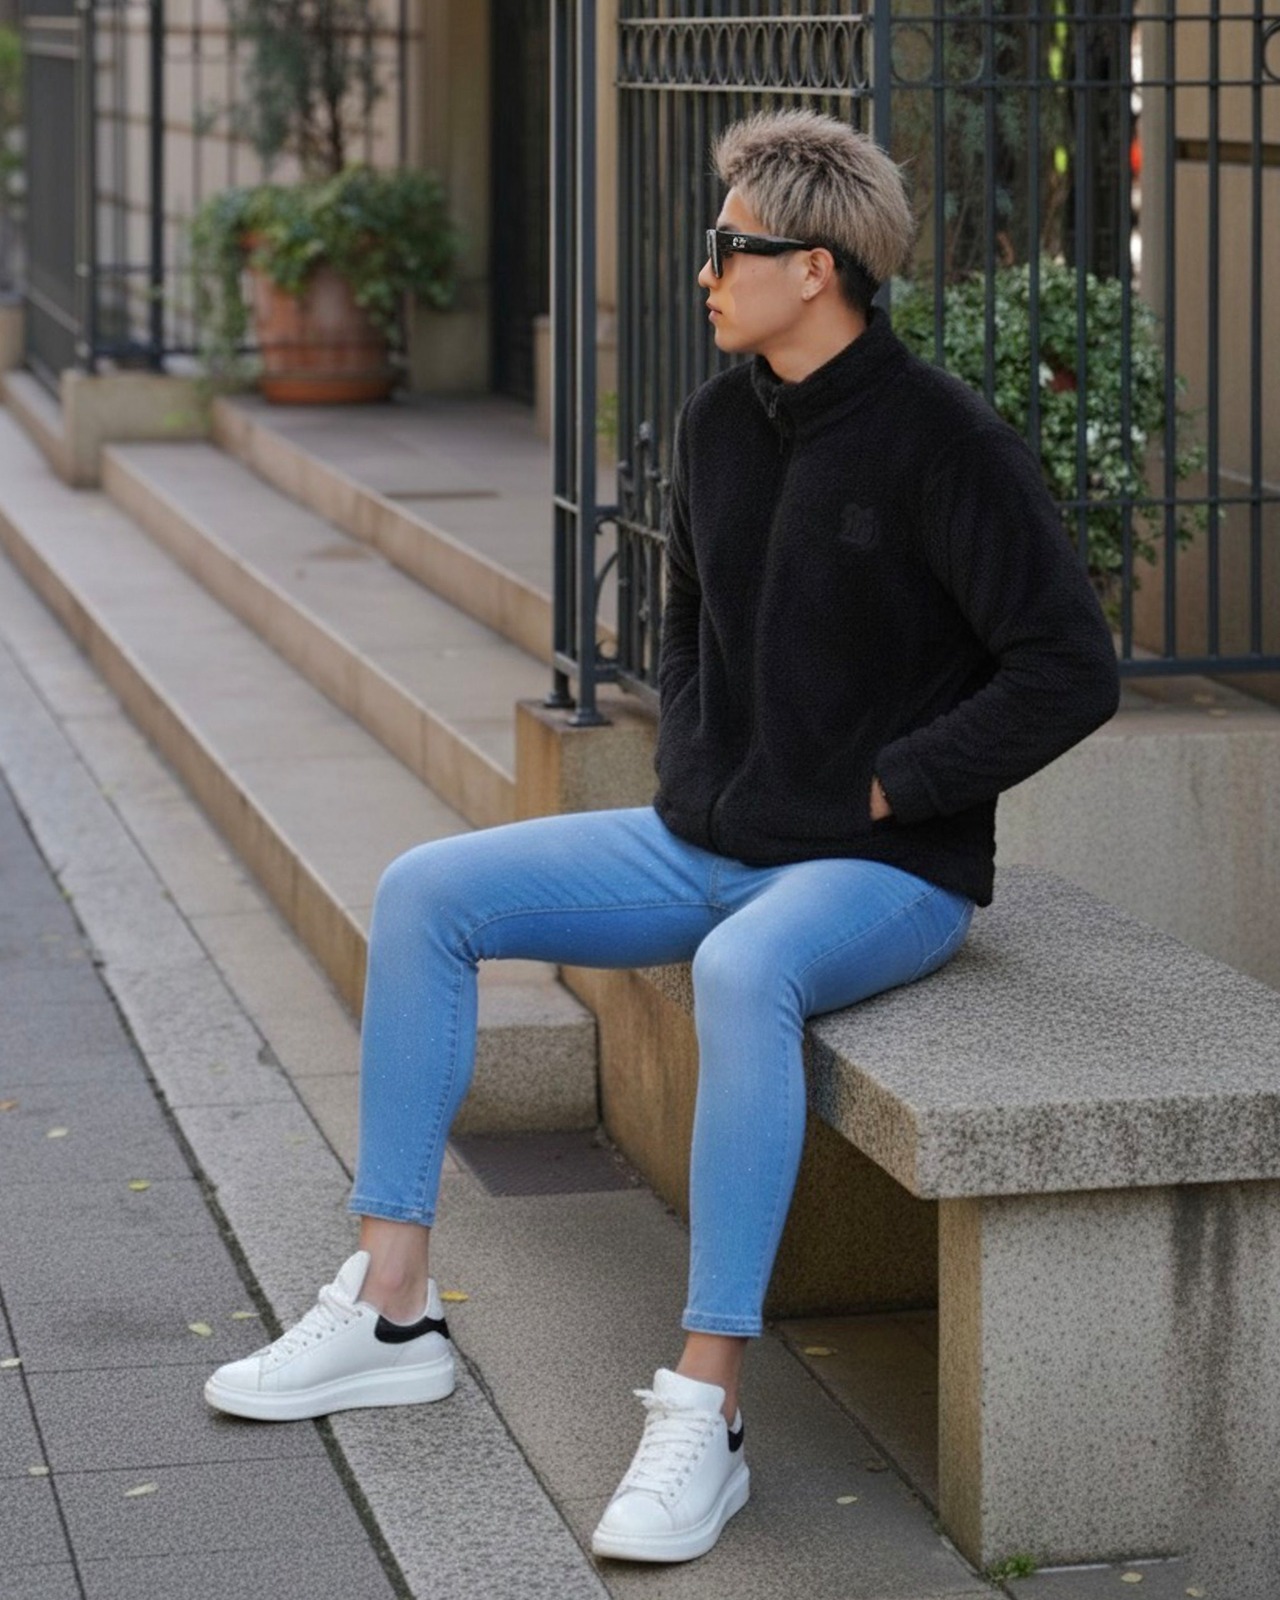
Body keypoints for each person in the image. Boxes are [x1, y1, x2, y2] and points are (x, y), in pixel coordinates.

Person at [204, 109, 1120, 1564]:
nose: (704, 271)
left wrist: (892, 788)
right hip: (710, 836)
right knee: (426, 891)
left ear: (814, 268)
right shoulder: (715, 425)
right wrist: (698, 763)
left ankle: (709, 1404)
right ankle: (391, 1306)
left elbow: (1070, 667)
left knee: (747, 970)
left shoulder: (946, 442)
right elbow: (684, 622)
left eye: (728, 246)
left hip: (883, 870)